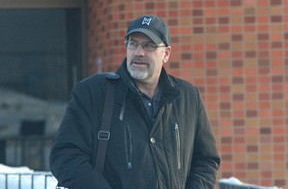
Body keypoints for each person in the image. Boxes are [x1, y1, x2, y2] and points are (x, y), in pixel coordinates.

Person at [50, 14, 221, 189]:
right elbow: (66, 157)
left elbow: (206, 160)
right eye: (133, 44)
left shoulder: (188, 97)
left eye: (149, 45)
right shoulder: (93, 93)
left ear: (166, 53)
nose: (139, 52)